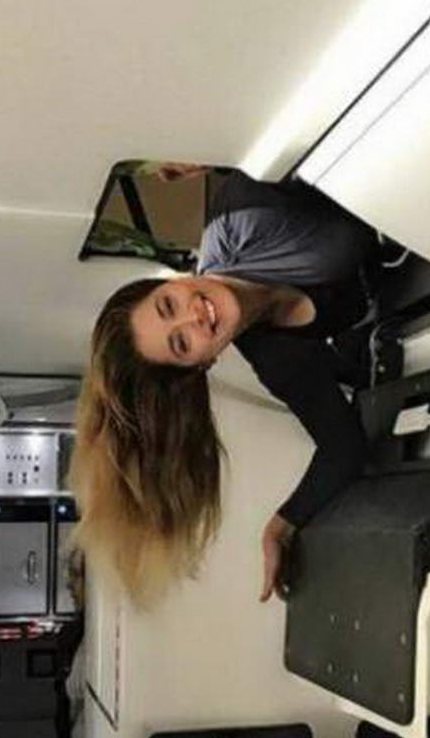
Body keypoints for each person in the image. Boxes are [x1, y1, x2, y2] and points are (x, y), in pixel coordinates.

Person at [71, 166, 382, 606]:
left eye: (168, 305)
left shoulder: (243, 222)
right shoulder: (275, 358)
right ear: (203, 363)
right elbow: (342, 447)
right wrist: (281, 526)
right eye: (181, 343)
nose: (193, 316)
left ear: (174, 282)